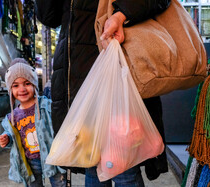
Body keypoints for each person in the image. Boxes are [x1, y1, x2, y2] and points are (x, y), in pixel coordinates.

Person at [35, 0, 171, 186]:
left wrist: (121, 15)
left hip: (118, 76)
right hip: (78, 81)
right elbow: (49, 17)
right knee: (93, 164)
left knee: (123, 165)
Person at [0, 58, 66, 187]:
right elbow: (13, 136)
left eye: (27, 83)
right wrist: (6, 139)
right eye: (16, 85)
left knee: (59, 183)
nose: (22, 89)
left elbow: (60, 122)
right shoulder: (12, 117)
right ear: (10, 90)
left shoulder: (46, 105)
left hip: (52, 157)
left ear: (34, 84)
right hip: (31, 162)